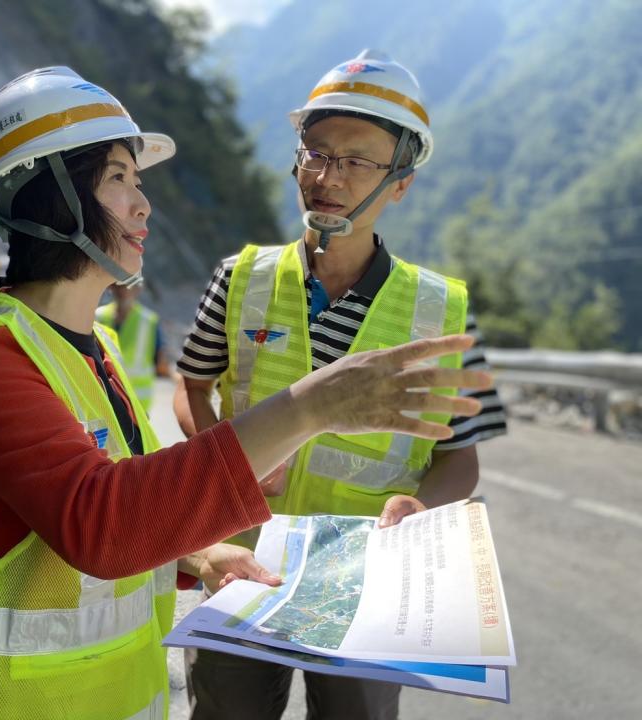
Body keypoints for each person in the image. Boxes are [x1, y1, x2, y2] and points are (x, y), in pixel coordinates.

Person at [0, 66, 493, 720]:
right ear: (50, 198)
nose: (142, 204)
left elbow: (134, 498)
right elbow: (104, 524)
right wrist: (312, 406)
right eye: (119, 179)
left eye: (139, 180)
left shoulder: (90, 353)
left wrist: (205, 554)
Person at [174, 50, 508, 720]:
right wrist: (225, 460)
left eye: (358, 161)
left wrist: (419, 507)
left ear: (402, 182)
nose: (328, 177)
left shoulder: (441, 311)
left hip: (368, 585)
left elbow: (458, 456)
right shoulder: (240, 278)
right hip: (244, 563)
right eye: (316, 152)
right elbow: (191, 387)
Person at [96, 282, 170, 412]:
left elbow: (161, 364)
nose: (123, 290)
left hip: (138, 402)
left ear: (139, 288)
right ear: (111, 287)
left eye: (128, 285)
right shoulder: (98, 317)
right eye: (120, 285)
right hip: (104, 398)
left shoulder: (149, 321)